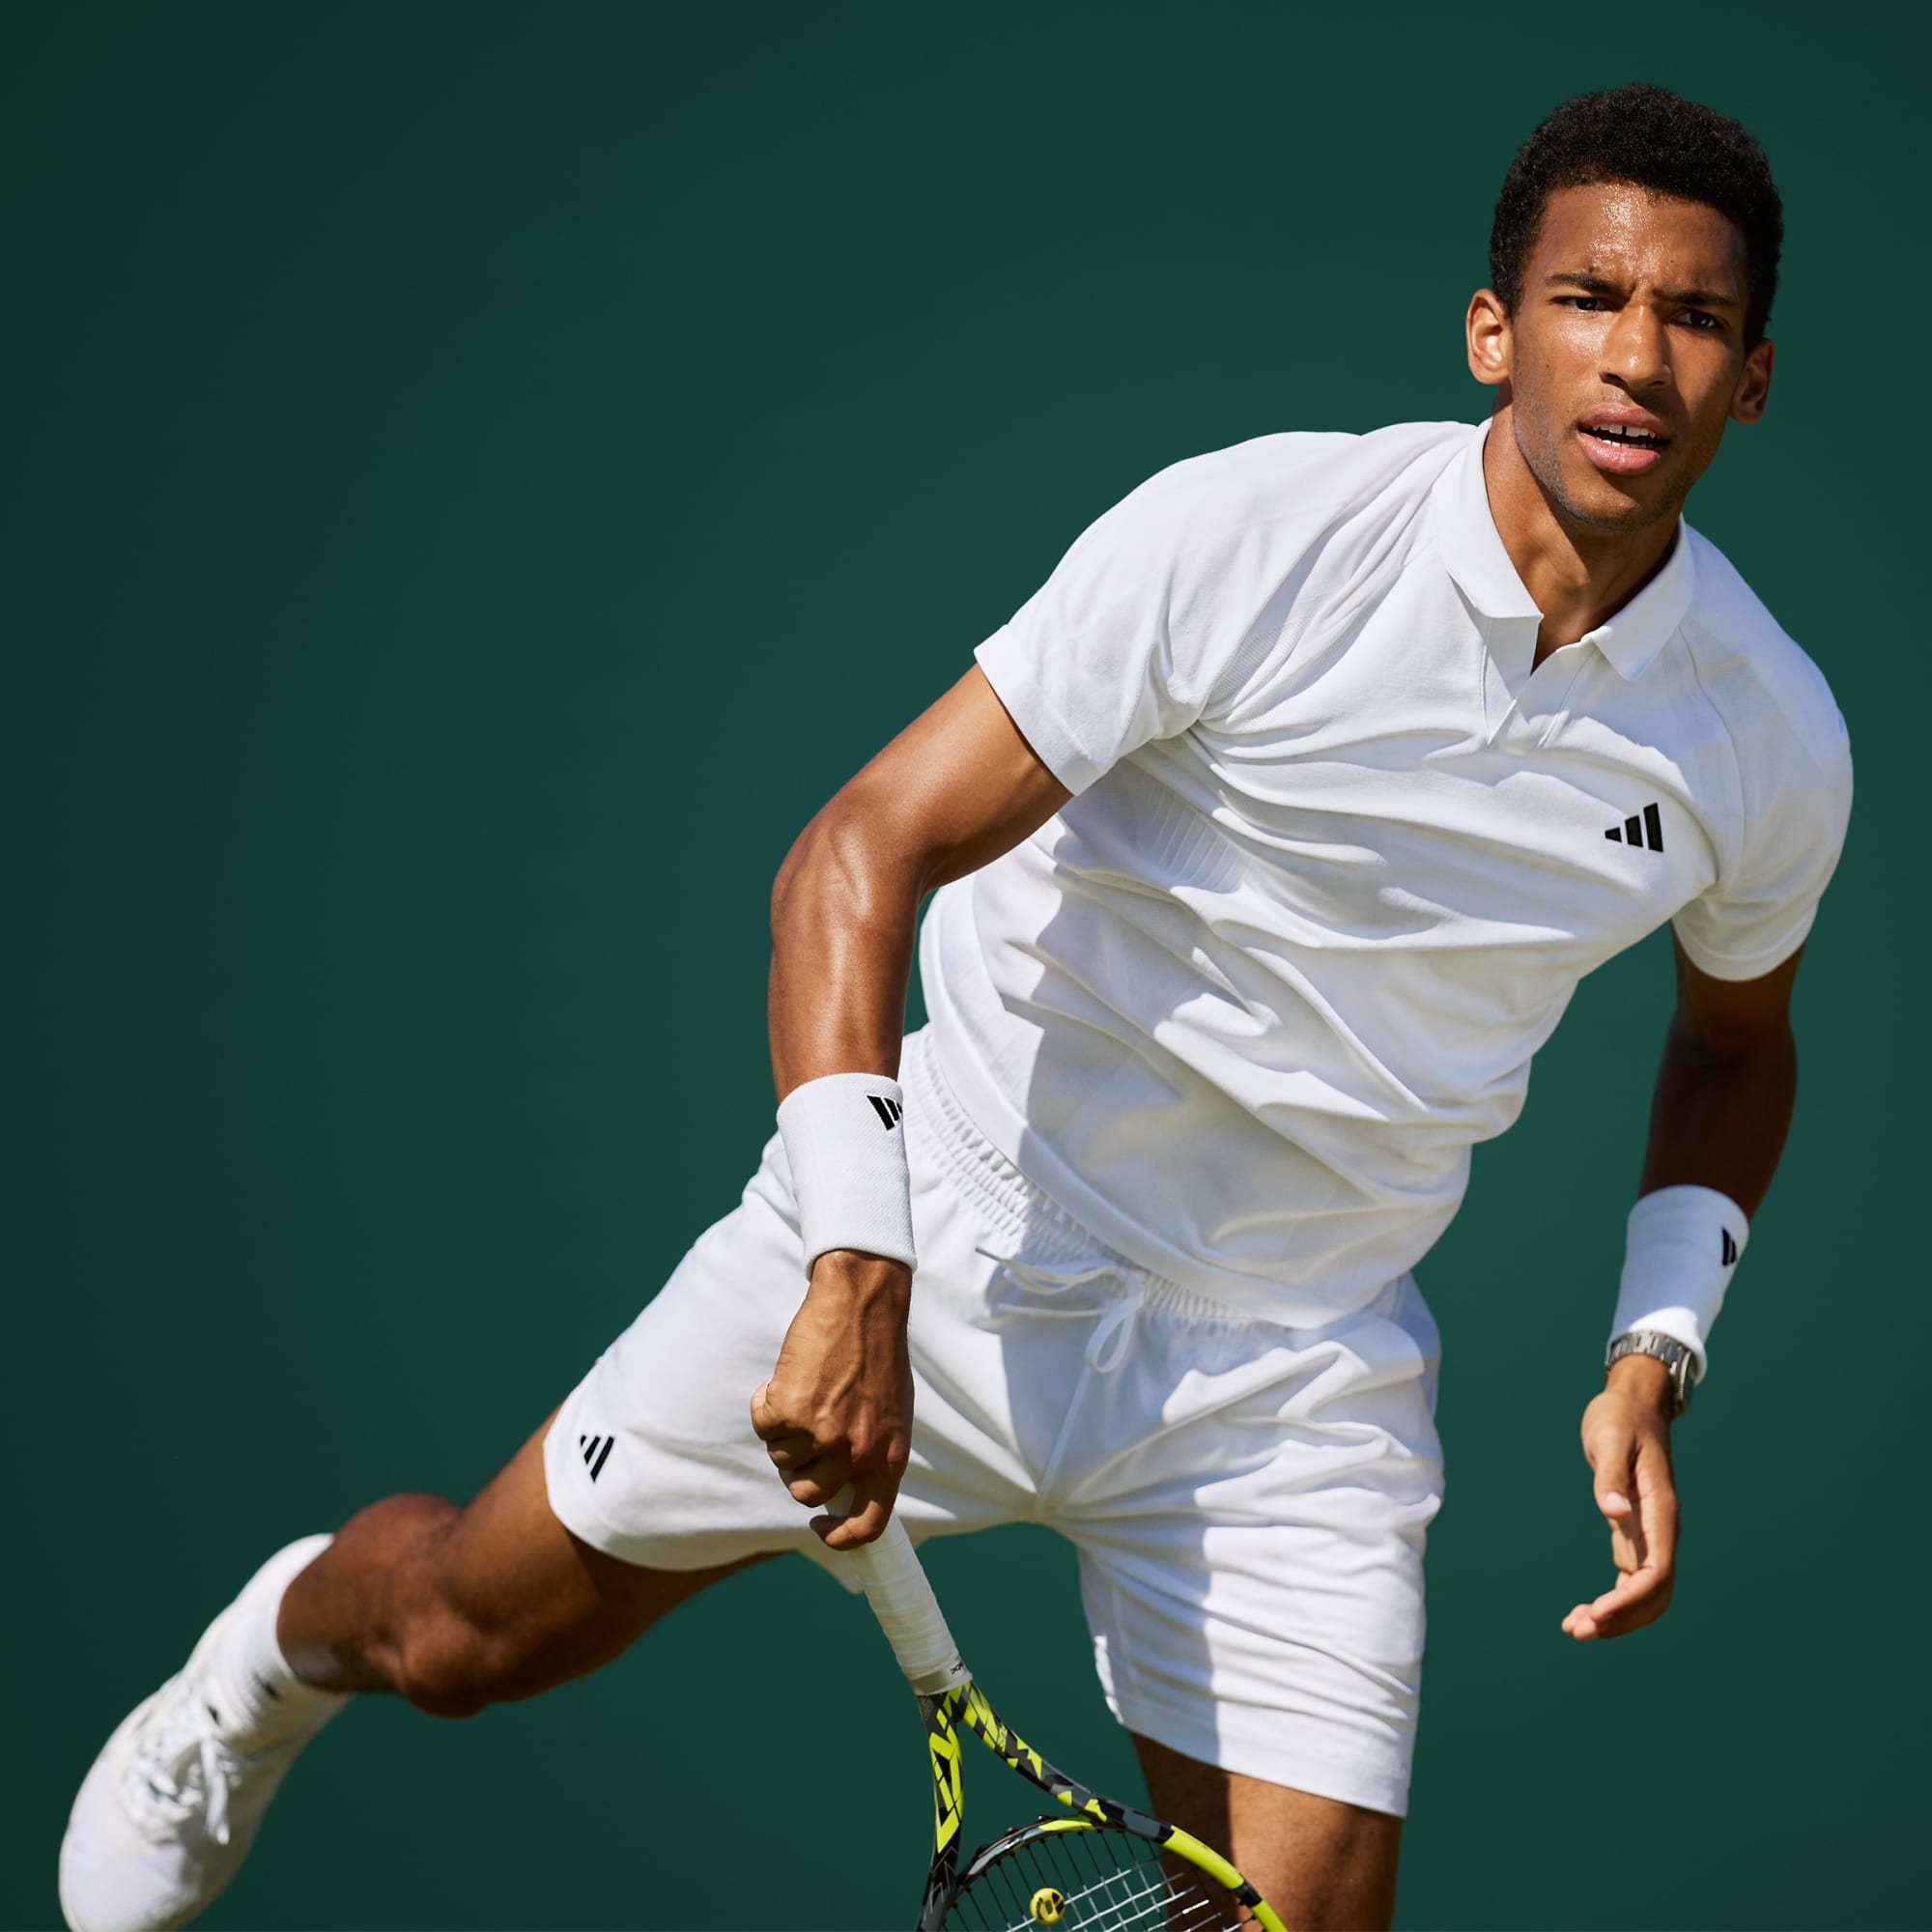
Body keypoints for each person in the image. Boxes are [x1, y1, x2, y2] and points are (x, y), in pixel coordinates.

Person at [59, 81, 1851, 1932]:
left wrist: (1655, 1349)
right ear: (1494, 331)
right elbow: (859, 849)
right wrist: (856, 1266)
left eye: (1696, 317)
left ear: (1754, 377)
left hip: (1291, 1372)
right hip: (947, 1225)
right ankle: (256, 1669)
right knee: (460, 1637)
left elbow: (1738, 1046)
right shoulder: (1252, 536)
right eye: (1587, 299)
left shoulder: (1770, 738)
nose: (1635, 357)